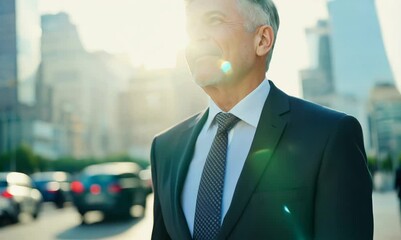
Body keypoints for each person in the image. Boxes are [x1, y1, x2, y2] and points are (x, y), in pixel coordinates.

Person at [150, 0, 373, 239]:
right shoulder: (165, 148)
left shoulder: (329, 136)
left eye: (214, 20)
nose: (196, 38)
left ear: (263, 40)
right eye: (190, 28)